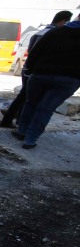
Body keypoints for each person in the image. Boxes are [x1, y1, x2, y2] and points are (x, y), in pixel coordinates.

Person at [13, 16, 80, 148]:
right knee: (45, 109)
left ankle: (21, 131)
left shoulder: (56, 31)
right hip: (69, 79)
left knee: (31, 103)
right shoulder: (56, 31)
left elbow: (35, 52)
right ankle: (30, 139)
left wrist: (29, 71)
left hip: (41, 74)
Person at [0, 10, 73, 128]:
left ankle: (11, 121)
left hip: (31, 68)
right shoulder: (55, 33)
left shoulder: (40, 32)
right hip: (39, 71)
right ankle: (21, 124)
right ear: (63, 21)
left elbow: (31, 51)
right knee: (31, 100)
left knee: (24, 97)